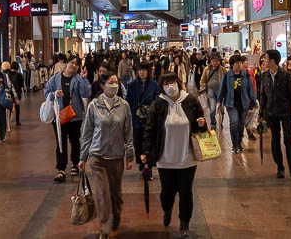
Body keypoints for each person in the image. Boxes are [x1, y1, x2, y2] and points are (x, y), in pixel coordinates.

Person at [141, 72, 207, 239]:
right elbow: (150, 130)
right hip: (165, 158)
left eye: (172, 82)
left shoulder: (190, 101)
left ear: (178, 83)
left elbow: (201, 126)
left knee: (186, 192)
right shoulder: (158, 105)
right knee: (167, 192)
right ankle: (167, 209)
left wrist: (201, 125)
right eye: (165, 83)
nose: (169, 86)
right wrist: (146, 152)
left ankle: (184, 223)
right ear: (161, 86)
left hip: (187, 158)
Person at [79, 71, 134, 239]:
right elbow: (87, 132)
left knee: (115, 192)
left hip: (116, 156)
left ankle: (117, 213)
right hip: (98, 156)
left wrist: (129, 155)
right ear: (102, 86)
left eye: (116, 82)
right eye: (110, 82)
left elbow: (128, 132)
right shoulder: (94, 106)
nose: (114, 85)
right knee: (102, 194)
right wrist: (82, 157)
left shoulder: (124, 105)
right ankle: (104, 228)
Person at [44, 56, 90, 182]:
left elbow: (85, 94)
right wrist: (54, 94)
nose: (74, 65)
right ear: (67, 63)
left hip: (75, 116)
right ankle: (61, 168)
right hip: (60, 115)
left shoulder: (79, 79)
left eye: (77, 64)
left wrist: (84, 79)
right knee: (60, 141)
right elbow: (46, 91)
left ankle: (75, 164)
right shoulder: (56, 78)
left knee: (75, 141)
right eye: (72, 62)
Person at [259, 50, 291, 180]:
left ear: (272, 61)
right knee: (275, 140)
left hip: (285, 113)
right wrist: (261, 114)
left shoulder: (286, 76)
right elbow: (263, 96)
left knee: (288, 140)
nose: (264, 61)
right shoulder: (265, 76)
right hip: (271, 113)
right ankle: (280, 168)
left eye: (265, 59)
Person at [217, 55, 256, 154]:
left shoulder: (245, 75)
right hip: (231, 104)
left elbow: (250, 89)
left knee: (241, 124)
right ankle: (234, 144)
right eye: (237, 63)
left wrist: (255, 101)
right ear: (232, 65)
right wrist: (219, 101)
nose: (239, 65)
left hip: (243, 104)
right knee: (234, 122)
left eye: (240, 63)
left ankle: (239, 143)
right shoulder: (227, 76)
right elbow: (222, 89)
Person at [126, 62, 159, 172]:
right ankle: (141, 161)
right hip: (136, 118)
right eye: (139, 70)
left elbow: (157, 100)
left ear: (148, 72)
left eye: (144, 70)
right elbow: (128, 102)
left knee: (149, 140)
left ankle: (148, 164)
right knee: (138, 141)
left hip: (150, 118)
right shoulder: (132, 85)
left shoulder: (154, 85)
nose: (141, 72)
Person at [198, 54, 226, 129]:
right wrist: (203, 88)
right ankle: (213, 123)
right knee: (212, 109)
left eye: (217, 61)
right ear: (211, 61)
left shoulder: (222, 70)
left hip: (220, 91)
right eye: (213, 61)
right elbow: (202, 80)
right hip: (210, 91)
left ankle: (221, 123)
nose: (215, 63)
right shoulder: (207, 69)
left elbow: (226, 80)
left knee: (222, 110)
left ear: (219, 62)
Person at [6, 61, 25, 127]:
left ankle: (8, 120)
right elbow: (22, 85)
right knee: (17, 107)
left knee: (8, 107)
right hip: (17, 92)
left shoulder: (7, 74)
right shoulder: (19, 75)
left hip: (9, 92)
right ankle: (17, 122)